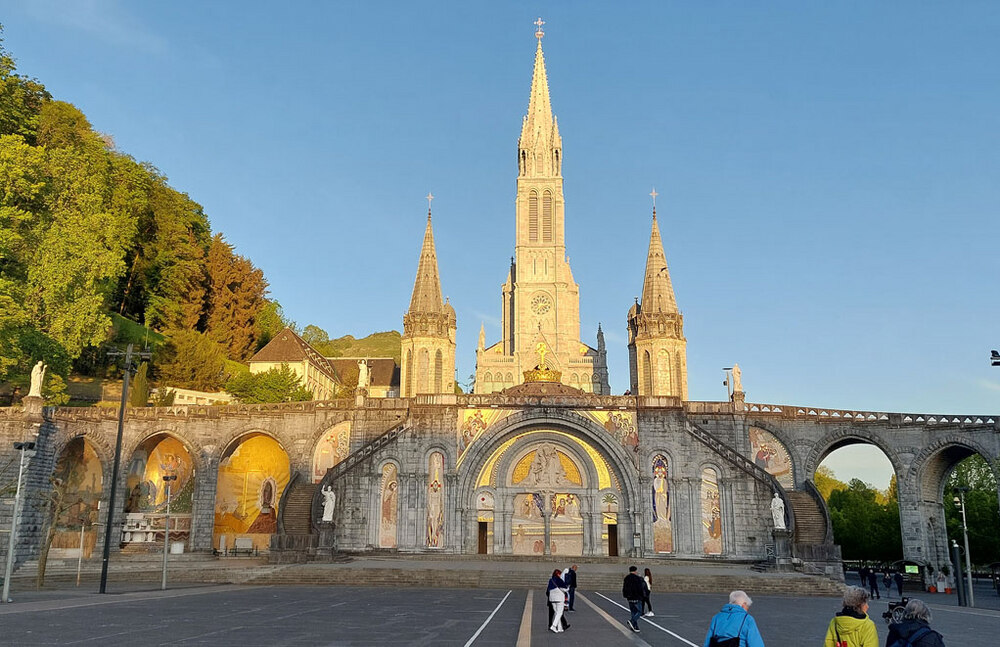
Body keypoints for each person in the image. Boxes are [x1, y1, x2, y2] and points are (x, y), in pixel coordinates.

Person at [622, 565, 648, 633]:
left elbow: (624, 588)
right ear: (635, 571)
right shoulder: (637, 578)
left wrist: (626, 595)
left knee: (633, 611)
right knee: (639, 611)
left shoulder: (626, 578)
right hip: (636, 597)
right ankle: (632, 621)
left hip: (629, 597)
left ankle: (635, 626)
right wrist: (642, 596)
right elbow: (640, 588)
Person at [547, 569, 569, 633]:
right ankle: (553, 626)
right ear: (558, 574)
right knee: (559, 613)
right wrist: (568, 588)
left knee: (556, 613)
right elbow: (565, 589)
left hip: (552, 599)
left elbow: (548, 589)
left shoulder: (551, 580)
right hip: (559, 598)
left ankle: (559, 628)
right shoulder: (559, 580)